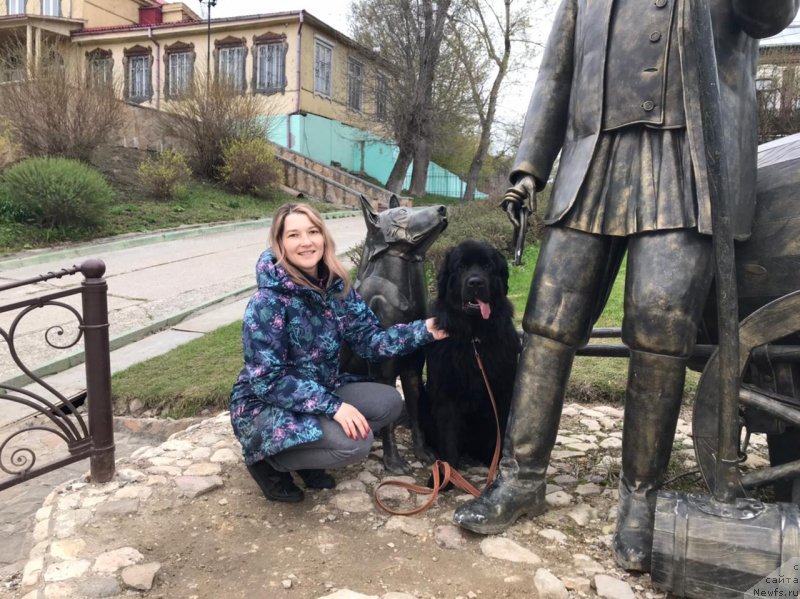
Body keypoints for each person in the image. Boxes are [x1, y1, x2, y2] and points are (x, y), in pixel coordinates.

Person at [452, 0, 799, 573]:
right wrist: (528, 169)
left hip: (688, 161)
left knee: (659, 328)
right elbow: (555, 73)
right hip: (591, 160)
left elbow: (768, 17)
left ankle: (640, 499)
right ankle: (521, 477)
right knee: (546, 321)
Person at [229, 203, 447, 504]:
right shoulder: (268, 302)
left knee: (389, 404)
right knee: (354, 445)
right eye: (294, 235)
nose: (306, 242)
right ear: (280, 243)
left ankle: (308, 457)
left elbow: (370, 340)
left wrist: (425, 330)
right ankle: (268, 462)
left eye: (313, 231)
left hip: (321, 387)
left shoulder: (336, 288)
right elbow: (268, 380)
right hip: (265, 404)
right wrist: (334, 407)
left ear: (323, 237)